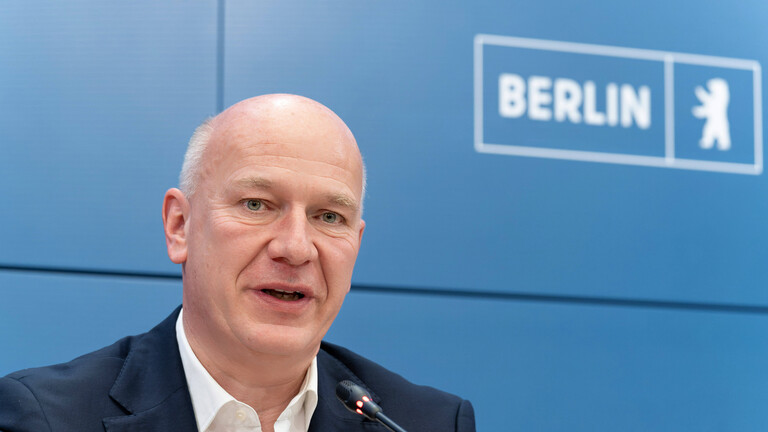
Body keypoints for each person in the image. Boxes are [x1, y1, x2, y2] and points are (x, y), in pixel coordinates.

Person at [0, 94, 476, 432]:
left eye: (328, 216)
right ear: (180, 226)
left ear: (356, 240)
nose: (295, 248)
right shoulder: (45, 417)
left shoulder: (424, 422)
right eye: (256, 204)